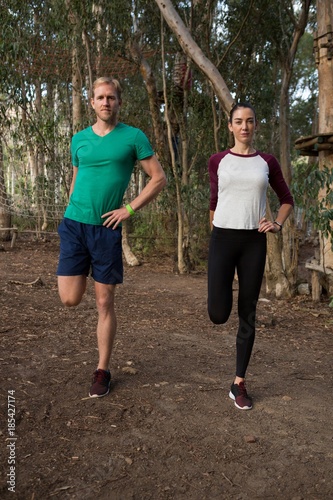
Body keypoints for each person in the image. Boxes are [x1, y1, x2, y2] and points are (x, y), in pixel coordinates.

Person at [57, 76, 167, 398]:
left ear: (119, 102)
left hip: (107, 229)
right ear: (92, 102)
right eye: (100, 97)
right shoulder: (78, 140)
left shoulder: (133, 137)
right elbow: (77, 179)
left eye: (111, 98)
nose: (106, 102)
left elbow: (158, 179)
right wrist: (69, 211)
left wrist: (128, 210)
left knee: (104, 302)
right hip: (75, 225)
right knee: (70, 298)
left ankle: (102, 369)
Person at [207, 102, 294, 410]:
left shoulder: (266, 162)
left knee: (248, 310)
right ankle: (224, 295)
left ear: (256, 125)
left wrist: (277, 224)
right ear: (230, 126)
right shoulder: (217, 160)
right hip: (222, 239)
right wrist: (217, 235)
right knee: (218, 313)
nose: (244, 126)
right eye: (238, 122)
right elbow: (215, 201)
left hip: (254, 242)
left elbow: (286, 199)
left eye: (250, 121)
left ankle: (239, 382)